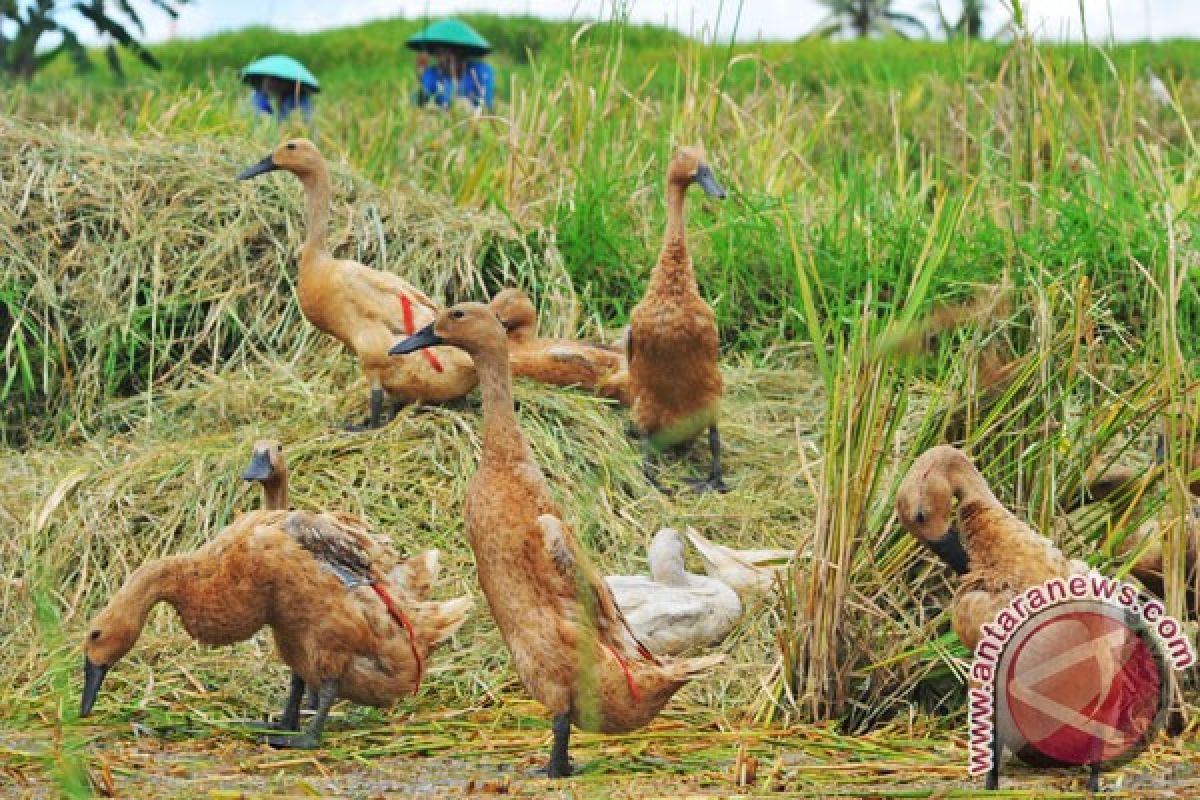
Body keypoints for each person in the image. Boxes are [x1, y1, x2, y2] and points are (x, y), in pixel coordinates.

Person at [407, 19, 494, 111]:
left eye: (452, 53)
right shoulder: (432, 74)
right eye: (440, 53)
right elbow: (419, 100)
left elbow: (486, 105)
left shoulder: (480, 71)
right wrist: (420, 75)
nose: (445, 58)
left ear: (463, 53)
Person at [241, 55, 319, 124]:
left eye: (275, 79)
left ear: (288, 83)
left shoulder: (300, 99)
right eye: (267, 78)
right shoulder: (258, 96)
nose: (269, 83)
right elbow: (253, 117)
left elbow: (307, 120)